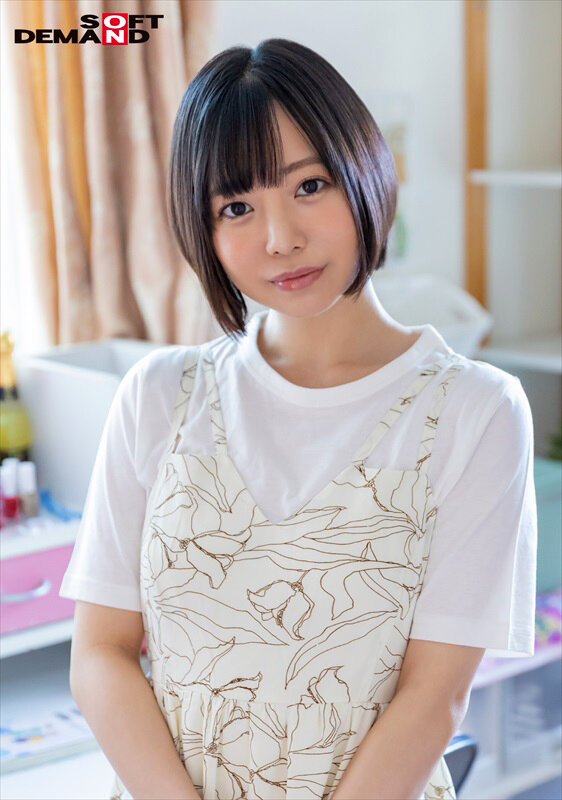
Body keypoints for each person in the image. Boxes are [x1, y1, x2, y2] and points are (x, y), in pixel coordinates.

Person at [60, 39, 537, 800]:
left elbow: (434, 694)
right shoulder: (160, 393)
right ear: (204, 231)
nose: (280, 238)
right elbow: (100, 654)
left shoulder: (475, 411)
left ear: (365, 171)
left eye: (309, 185)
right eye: (237, 208)